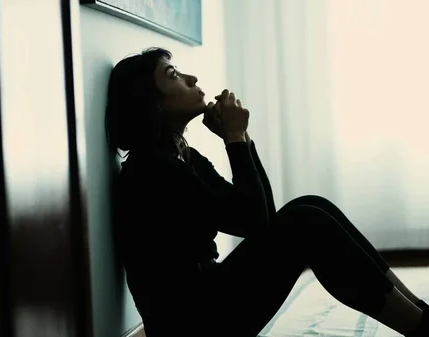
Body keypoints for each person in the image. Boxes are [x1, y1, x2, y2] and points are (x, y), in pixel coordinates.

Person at [105, 47, 429, 337]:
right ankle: (421, 327)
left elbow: (263, 217)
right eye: (173, 74)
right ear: (152, 103)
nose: (192, 78)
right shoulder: (153, 171)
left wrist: (240, 138)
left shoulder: (181, 156)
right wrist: (233, 137)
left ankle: (421, 314)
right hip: (193, 325)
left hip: (207, 301)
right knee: (306, 221)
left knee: (310, 206)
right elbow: (255, 221)